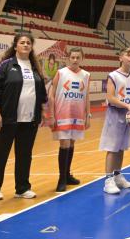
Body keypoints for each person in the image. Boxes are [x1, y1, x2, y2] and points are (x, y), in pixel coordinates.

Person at [0, 33, 48, 201]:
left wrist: (42, 110)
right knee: (0, 154)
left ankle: (22, 188)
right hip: (7, 119)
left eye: (29, 43)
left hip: (29, 120)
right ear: (15, 46)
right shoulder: (6, 65)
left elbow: (41, 92)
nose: (26, 45)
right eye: (22, 42)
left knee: (24, 154)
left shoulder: (35, 67)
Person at [99, 47, 130, 195]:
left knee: (121, 147)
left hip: (128, 115)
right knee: (112, 148)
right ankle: (108, 180)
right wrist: (128, 106)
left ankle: (118, 175)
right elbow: (110, 97)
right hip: (116, 113)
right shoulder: (113, 75)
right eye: (128, 55)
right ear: (120, 58)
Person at [48, 47, 90, 192]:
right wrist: (51, 115)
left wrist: (87, 115)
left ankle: (67, 174)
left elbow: (86, 96)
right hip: (62, 113)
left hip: (77, 115)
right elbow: (51, 95)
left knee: (71, 142)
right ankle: (61, 179)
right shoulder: (61, 73)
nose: (75, 60)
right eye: (72, 57)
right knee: (64, 143)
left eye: (78, 57)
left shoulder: (86, 75)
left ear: (82, 59)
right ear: (68, 58)